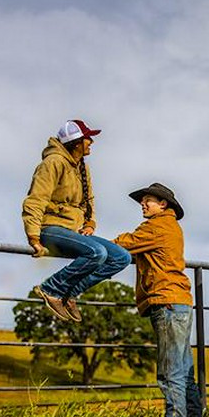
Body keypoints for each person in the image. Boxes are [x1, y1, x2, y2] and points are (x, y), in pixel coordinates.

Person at [114, 182, 204, 417]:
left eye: (148, 200)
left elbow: (125, 244)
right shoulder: (172, 227)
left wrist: (91, 249)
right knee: (185, 372)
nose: (143, 204)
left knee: (170, 372)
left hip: (166, 303)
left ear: (163, 204)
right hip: (180, 303)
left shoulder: (156, 227)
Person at [22, 119, 132, 322]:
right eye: (87, 138)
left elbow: (89, 200)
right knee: (97, 252)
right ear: (76, 142)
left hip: (72, 232)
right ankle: (51, 289)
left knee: (121, 257)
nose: (91, 141)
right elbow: (36, 199)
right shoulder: (53, 162)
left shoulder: (82, 167)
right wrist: (34, 237)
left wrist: (90, 223)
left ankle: (70, 293)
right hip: (49, 228)